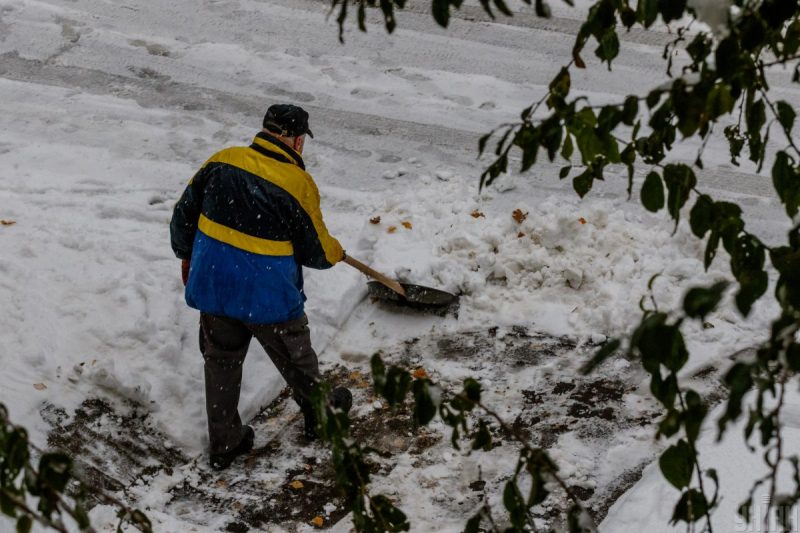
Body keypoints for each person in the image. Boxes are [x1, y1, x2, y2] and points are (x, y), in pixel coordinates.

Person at [170, 104, 352, 470]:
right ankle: (322, 414)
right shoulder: (296, 183)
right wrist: (336, 252)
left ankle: (225, 442)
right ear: (297, 140)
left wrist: (186, 255)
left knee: (221, 362)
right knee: (295, 356)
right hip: (266, 297)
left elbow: (182, 215)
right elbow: (316, 251)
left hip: (217, 287)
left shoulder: (222, 161)